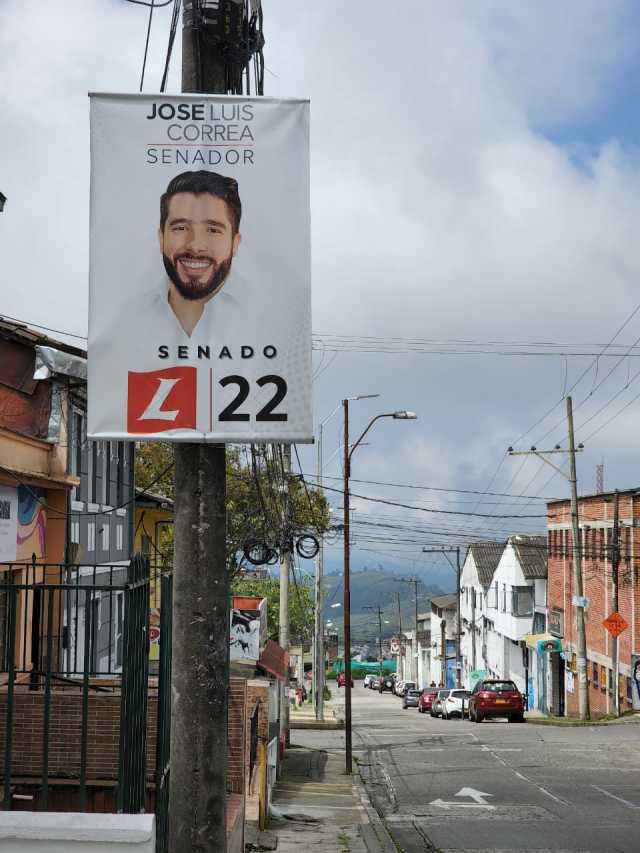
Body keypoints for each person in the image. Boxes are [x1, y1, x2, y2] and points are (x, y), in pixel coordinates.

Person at [159, 170, 242, 337]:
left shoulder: (266, 320)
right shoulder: (126, 318)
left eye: (213, 230)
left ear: (235, 243)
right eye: (180, 228)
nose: (195, 246)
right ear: (161, 238)